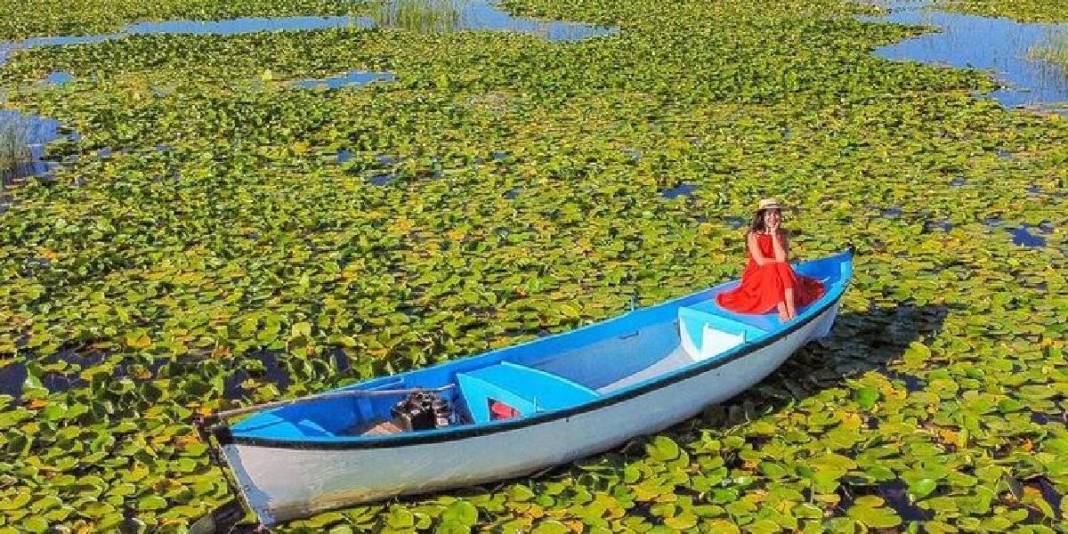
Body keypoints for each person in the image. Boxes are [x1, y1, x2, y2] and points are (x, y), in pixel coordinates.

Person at [715, 198, 825, 322]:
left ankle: (791, 306)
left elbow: (783, 258)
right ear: (762, 216)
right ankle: (782, 309)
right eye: (769, 214)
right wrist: (779, 263)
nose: (773, 217)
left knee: (781, 266)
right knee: (775, 267)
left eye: (776, 213)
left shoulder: (782, 234)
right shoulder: (753, 235)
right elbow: (761, 261)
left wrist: (774, 235)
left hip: (780, 270)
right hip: (757, 275)